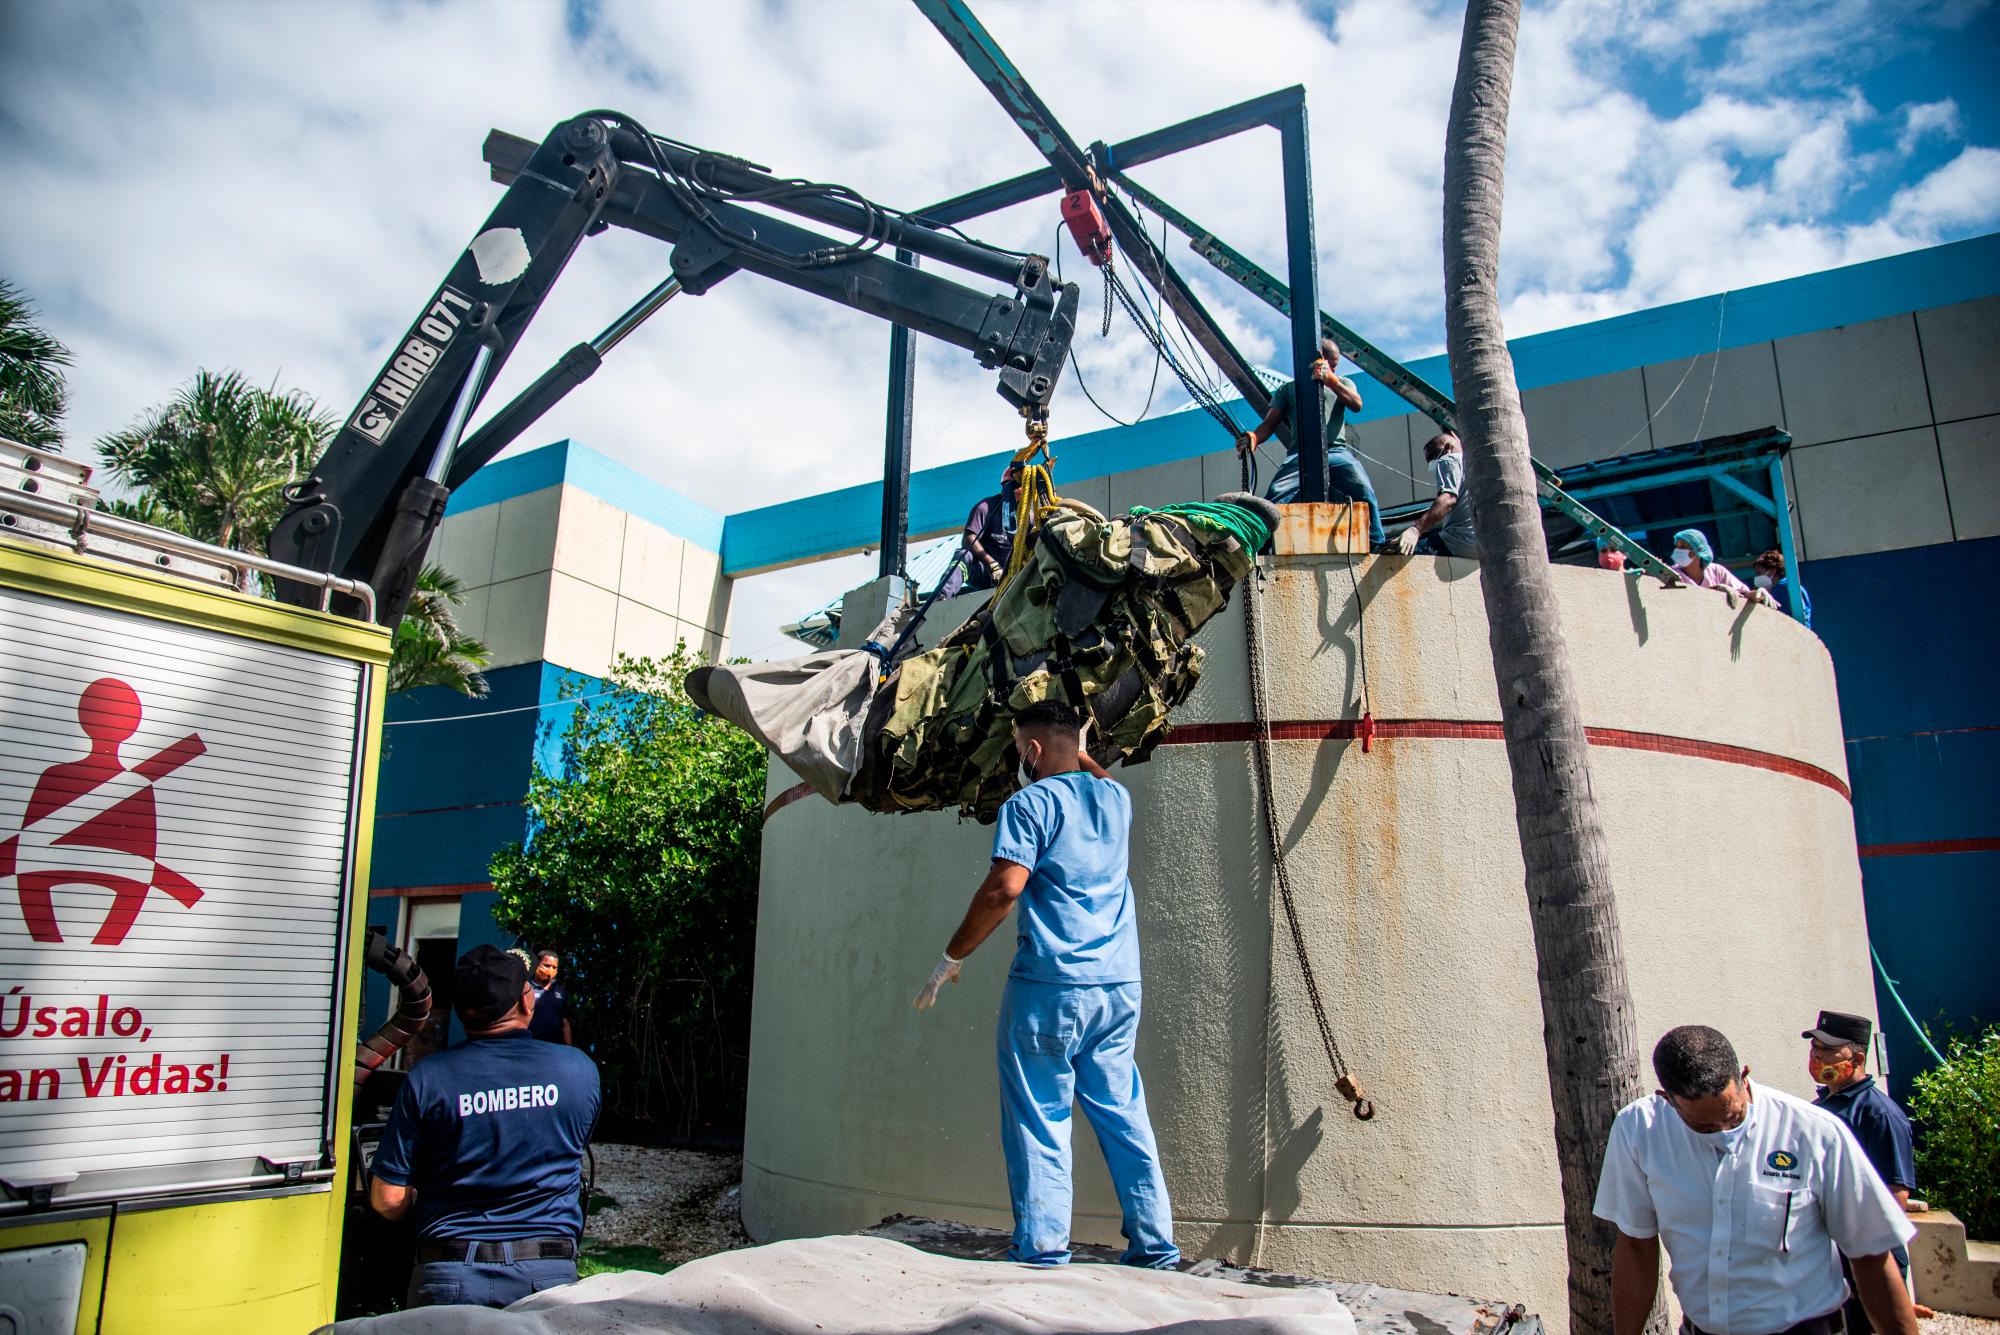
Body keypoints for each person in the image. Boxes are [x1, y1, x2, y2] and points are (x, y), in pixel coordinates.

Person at [912, 699, 1179, 1271]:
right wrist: (1078, 747)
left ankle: (1042, 1250)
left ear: (1031, 750)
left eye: (1018, 749)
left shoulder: (1028, 804)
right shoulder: (1115, 799)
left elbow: (1005, 888)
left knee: (1040, 1115)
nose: (1017, 759)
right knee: (1123, 1111)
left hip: (1052, 985)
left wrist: (950, 957)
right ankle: (1156, 1248)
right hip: (1117, 987)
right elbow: (1099, 774)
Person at [1594, 1024, 1918, 1335]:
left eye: (1732, 1114)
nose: (1724, 1132)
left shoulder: (1814, 1131)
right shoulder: (1639, 1130)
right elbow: (1636, 1246)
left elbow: (1871, 1255)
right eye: (1704, 1127)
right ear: (1668, 1100)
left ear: (1744, 1075)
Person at [370, 945, 601, 1309]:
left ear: (462, 1013)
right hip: (546, 1280)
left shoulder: (427, 1079)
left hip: (449, 1278)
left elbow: (387, 1201)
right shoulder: (579, 1071)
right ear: (527, 1003)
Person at [1804, 1010, 1921, 1333]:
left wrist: (1864, 1256)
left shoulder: (1879, 1114)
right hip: (1829, 1259)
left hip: (1866, 1258)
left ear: (1856, 1058)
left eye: (1827, 1050)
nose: (1817, 1055)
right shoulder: (1821, 1107)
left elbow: (1895, 1196)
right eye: (1814, 1048)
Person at [1235, 339, 1386, 549]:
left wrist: (1331, 380)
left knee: (1362, 488)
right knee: (1276, 496)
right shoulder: (1287, 390)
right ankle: (1261, 548)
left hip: (1336, 451)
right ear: (1319, 359)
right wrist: (1254, 438)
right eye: (1331, 363)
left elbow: (1356, 404)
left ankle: (1377, 543)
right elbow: (1269, 423)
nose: (1334, 368)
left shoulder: (1342, 382)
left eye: (1335, 365)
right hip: (1300, 455)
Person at [943, 460, 1024, 597]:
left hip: (1015, 580)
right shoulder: (986, 507)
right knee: (964, 555)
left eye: (1022, 488)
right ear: (1005, 487)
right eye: (1014, 487)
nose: (1018, 491)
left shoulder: (1029, 518)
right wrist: (992, 564)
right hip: (986, 573)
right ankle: (942, 597)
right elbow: (969, 539)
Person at [1394, 431, 1477, 558]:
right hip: (1482, 547)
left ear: (1448, 448)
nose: (1432, 462)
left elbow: (1448, 499)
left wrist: (1416, 530)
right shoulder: (1476, 464)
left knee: (1393, 552)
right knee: (1431, 534)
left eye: (1433, 455)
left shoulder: (1450, 459)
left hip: (1458, 542)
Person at [1668, 528, 1768, 602]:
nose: (1677, 550)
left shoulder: (1716, 571)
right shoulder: (1671, 573)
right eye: (1677, 546)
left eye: (1683, 547)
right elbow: (1683, 600)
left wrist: (1758, 594)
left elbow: (1742, 595)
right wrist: (1716, 590)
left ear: (1698, 550)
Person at [1754, 551, 1812, 629]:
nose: (1757, 577)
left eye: (1759, 573)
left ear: (1772, 571)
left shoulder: (1783, 588)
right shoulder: (1791, 586)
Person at [528, 950, 572, 1045]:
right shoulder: (526, 988)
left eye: (554, 967)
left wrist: (569, 1047)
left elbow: (565, 1023)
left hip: (555, 1047)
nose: (550, 970)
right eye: (547, 965)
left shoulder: (561, 991)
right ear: (536, 965)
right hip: (531, 1045)